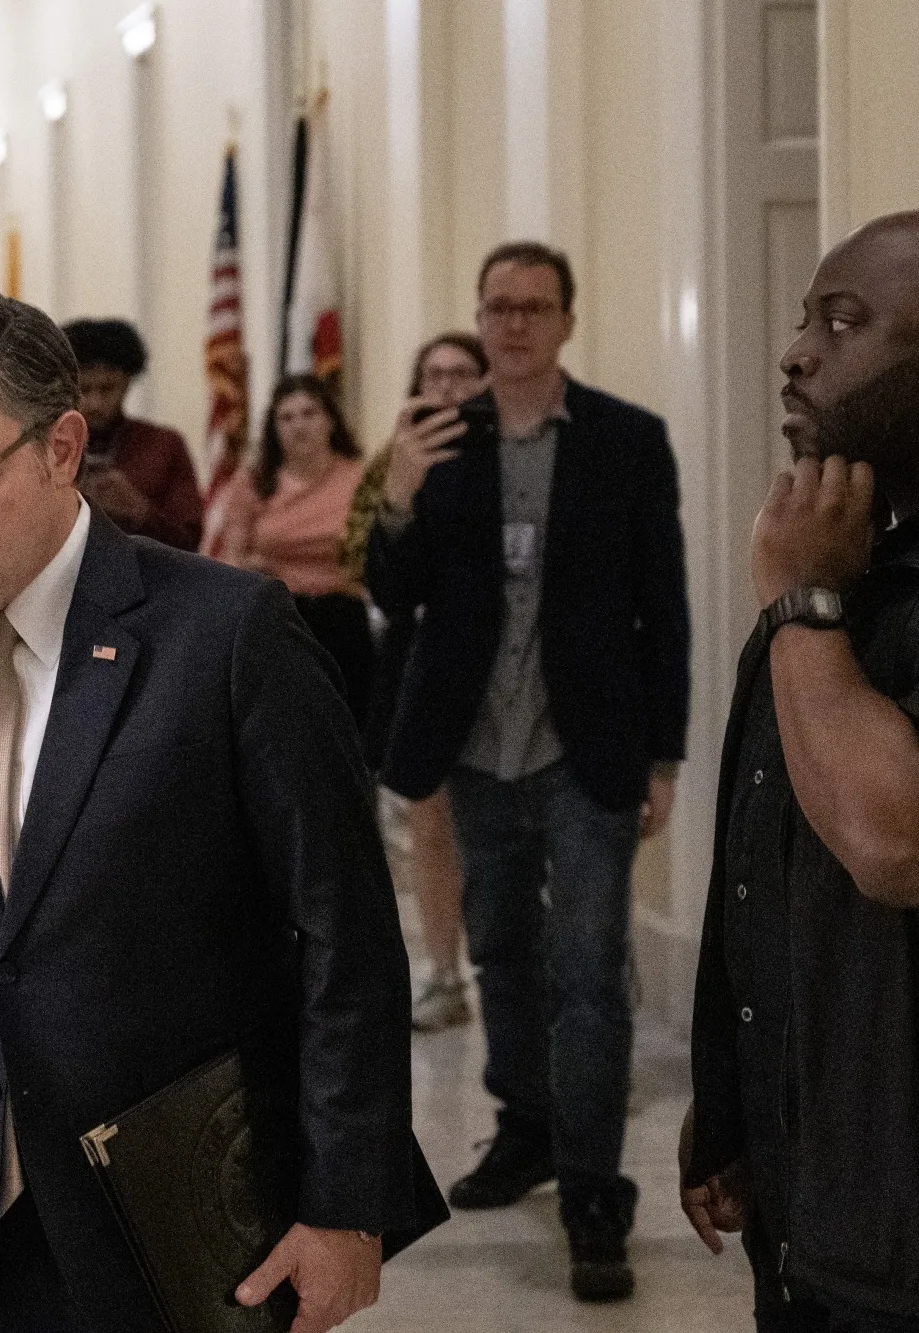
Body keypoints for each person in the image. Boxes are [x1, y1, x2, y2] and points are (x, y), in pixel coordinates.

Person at [0, 294, 445, 1333]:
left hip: (180, 1210)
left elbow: (342, 932)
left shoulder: (223, 634)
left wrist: (345, 1205)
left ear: (60, 447)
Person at [683, 209, 919, 1331]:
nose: (795, 352)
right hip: (828, 1199)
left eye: (842, 322)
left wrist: (797, 603)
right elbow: (766, 844)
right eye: (801, 320)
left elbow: (897, 838)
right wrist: (736, 1099)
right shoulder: (853, 549)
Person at [366, 240, 690, 1302]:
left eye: (532, 307)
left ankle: (594, 1184)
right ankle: (525, 1126)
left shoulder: (625, 440)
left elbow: (663, 605)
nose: (511, 324)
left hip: (582, 740)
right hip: (474, 741)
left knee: (588, 971)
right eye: (496, 307)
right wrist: (400, 493)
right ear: (478, 315)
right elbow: (389, 588)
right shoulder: (435, 442)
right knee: (500, 947)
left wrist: (663, 755)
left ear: (565, 319)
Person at [349, 334, 489, 1031]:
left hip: (504, 664)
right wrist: (402, 492)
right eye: (433, 375)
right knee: (430, 821)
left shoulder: (515, 452)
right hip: (422, 657)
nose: (447, 389)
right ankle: (441, 971)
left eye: (462, 374)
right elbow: (374, 573)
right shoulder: (395, 461)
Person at [208, 375, 375, 736]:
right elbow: (232, 561)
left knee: (345, 736)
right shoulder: (254, 482)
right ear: (274, 427)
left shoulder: (360, 479)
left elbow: (370, 555)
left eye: (309, 413)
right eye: (287, 417)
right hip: (278, 615)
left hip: (342, 616)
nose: (299, 425)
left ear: (330, 420)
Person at [61, 319, 205, 549]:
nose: (95, 403)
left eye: (107, 388)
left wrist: (139, 511)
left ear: (127, 383)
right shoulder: (51, 446)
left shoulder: (164, 446)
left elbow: (190, 539)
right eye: (85, 389)